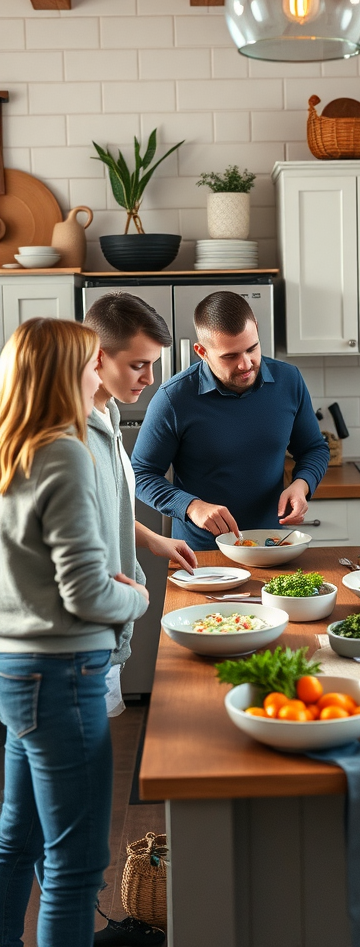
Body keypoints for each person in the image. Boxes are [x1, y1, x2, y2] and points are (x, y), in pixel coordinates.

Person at [0, 317, 148, 947]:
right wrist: (137, 597)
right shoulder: (64, 450)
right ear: (68, 373)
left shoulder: (15, 445)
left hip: (18, 668)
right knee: (76, 864)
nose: (101, 373)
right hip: (64, 673)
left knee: (16, 841)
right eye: (92, 364)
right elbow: (87, 592)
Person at [131, 290, 330, 550]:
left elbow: (314, 448)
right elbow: (141, 474)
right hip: (201, 554)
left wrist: (302, 485)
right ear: (202, 351)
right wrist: (191, 506)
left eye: (252, 348)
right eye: (230, 356)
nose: (246, 364)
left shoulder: (289, 381)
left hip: (271, 545)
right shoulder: (174, 398)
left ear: (256, 329)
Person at [83, 292, 198, 714]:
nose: (150, 378)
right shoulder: (74, 432)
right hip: (87, 636)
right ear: (96, 357)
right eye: (138, 364)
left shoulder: (108, 413)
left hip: (109, 629)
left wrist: (151, 539)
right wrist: (132, 599)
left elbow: (105, 507)